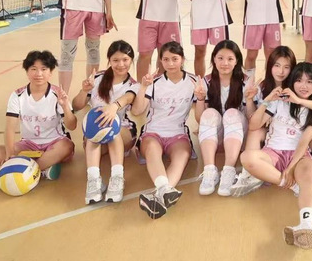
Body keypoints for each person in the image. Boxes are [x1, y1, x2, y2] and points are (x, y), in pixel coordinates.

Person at [230, 46, 312, 199]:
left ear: (293, 70)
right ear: (270, 66)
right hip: (273, 136)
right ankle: (249, 174)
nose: (281, 71)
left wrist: (298, 100)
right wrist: (253, 100)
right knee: (254, 132)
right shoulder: (263, 87)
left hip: (298, 141)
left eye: (286, 67)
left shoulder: (302, 89)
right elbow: (253, 121)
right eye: (277, 65)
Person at [239, 62, 312, 249]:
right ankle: (290, 184)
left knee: (308, 178)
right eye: (299, 80)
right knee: (247, 157)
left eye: (309, 82)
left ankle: (306, 224)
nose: (303, 86)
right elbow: (254, 125)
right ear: (292, 82)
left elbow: (304, 141)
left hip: (300, 155)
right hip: (273, 152)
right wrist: (267, 100)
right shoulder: (280, 102)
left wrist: (291, 167)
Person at [132, 42, 197, 218]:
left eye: (175, 59)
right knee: (152, 150)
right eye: (166, 59)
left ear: (182, 59)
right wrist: (143, 87)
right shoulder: (154, 82)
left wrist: (201, 98)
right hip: (153, 132)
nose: (170, 63)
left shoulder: (193, 82)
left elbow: (200, 115)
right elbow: (137, 111)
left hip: (178, 133)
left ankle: (159, 196)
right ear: (160, 61)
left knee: (182, 156)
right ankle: (164, 190)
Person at [0, 50, 76, 182]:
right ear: (27, 71)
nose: (39, 74)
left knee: (67, 147)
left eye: (44, 69)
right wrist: (10, 155)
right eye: (34, 69)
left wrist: (65, 106)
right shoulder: (18, 95)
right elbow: (10, 128)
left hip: (54, 142)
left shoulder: (57, 94)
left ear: (50, 72)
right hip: (28, 144)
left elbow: (72, 125)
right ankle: (43, 169)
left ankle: (28, 171)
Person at [72, 40, 137, 204]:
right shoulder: (97, 78)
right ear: (109, 60)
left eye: (125, 60)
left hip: (124, 132)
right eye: (115, 60)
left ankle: (117, 178)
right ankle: (94, 181)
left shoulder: (133, 84)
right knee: (97, 131)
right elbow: (76, 105)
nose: (121, 64)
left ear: (131, 60)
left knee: (110, 128)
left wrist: (113, 107)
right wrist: (84, 91)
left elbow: (128, 97)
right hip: (95, 133)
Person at [194, 40, 250, 196]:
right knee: (209, 113)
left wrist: (250, 99)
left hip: (238, 135)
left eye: (230, 59)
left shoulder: (245, 82)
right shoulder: (206, 81)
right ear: (214, 59)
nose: (225, 63)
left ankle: (229, 171)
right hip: (217, 137)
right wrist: (200, 99)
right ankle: (209, 170)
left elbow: (250, 118)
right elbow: (200, 118)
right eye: (220, 58)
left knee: (231, 113)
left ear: (237, 61)